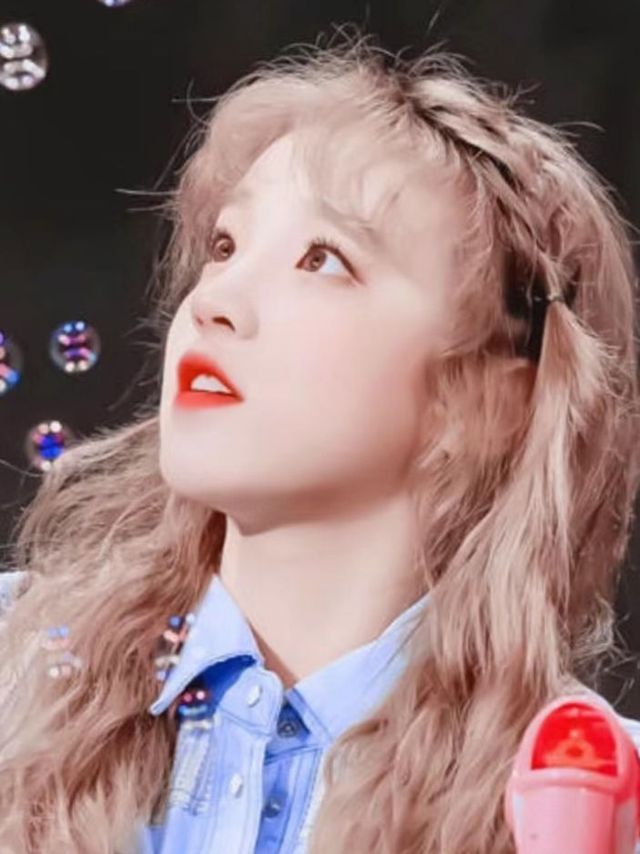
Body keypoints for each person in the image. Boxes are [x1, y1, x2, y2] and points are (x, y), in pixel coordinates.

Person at [1, 26, 639, 854]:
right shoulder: (12, 671)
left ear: (486, 401)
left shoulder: (591, 795)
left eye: (324, 260)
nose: (215, 299)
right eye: (225, 245)